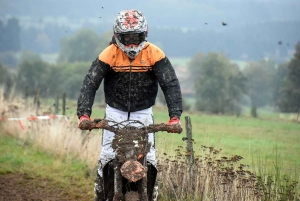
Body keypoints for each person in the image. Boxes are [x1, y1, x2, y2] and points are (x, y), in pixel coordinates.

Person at [77, 9, 183, 201]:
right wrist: (84, 115)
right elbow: (90, 83)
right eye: (128, 38)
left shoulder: (154, 53)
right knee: (106, 157)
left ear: (145, 34)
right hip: (114, 115)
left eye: (137, 37)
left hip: (143, 115)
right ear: (118, 36)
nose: (133, 43)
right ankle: (101, 196)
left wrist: (174, 117)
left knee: (150, 160)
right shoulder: (109, 53)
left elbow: (170, 84)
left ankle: (152, 196)